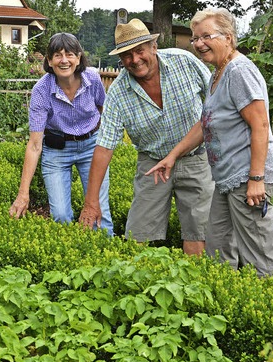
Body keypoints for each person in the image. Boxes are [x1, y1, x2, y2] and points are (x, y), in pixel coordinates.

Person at [146, 7, 273, 277]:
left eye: (206, 36)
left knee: (260, 255)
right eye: (196, 38)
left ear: (229, 38)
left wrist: (256, 178)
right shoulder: (217, 74)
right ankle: (223, 306)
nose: (199, 44)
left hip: (247, 177)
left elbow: (260, 125)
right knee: (217, 249)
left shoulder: (239, 71)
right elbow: (205, 123)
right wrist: (172, 156)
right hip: (227, 179)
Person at [79, 19, 213, 254]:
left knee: (198, 231)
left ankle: (194, 286)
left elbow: (216, 99)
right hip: (153, 164)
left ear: (153, 46)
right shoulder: (119, 92)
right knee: (137, 236)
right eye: (126, 56)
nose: (134, 60)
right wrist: (91, 202)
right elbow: (104, 146)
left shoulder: (185, 62)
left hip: (195, 158)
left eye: (139, 51)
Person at [9, 32, 113, 236]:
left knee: (100, 211)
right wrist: (23, 193)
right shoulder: (41, 90)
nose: (64, 60)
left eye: (70, 55)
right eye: (57, 55)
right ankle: (73, 260)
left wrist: (100, 140)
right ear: (49, 61)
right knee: (61, 216)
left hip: (91, 146)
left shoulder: (92, 78)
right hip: (57, 150)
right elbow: (34, 144)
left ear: (79, 58)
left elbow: (104, 110)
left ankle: (104, 258)